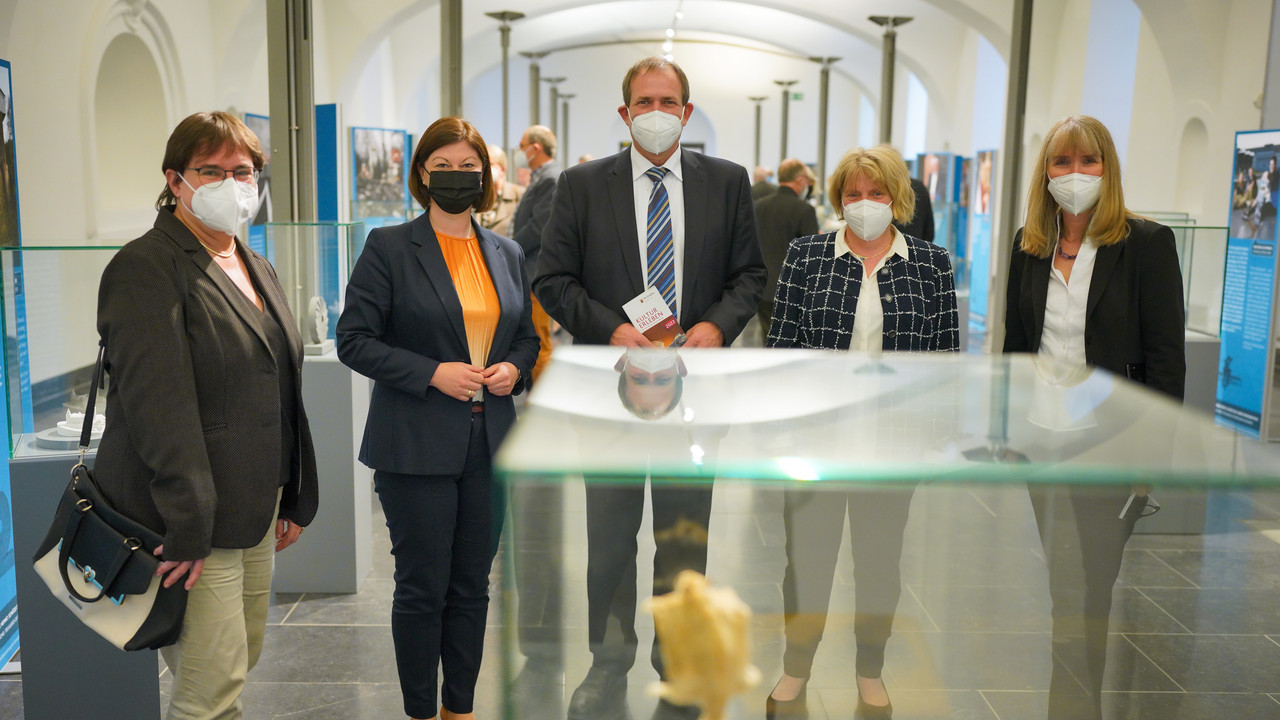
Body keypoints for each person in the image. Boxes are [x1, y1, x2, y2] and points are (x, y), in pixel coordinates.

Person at [534, 56, 765, 720]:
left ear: (687, 113)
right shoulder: (581, 186)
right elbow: (554, 281)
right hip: (612, 389)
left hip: (695, 392)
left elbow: (748, 276)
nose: (656, 112)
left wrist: (717, 328)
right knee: (608, 537)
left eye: (668, 101)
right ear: (625, 112)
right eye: (644, 101)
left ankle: (680, 666)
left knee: (684, 538)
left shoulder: (725, 183)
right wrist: (614, 330)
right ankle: (608, 664)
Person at [94, 110, 318, 719]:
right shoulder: (146, 266)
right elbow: (158, 410)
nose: (230, 184)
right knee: (208, 691)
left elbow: (279, 384)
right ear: (175, 179)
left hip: (252, 505)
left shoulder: (251, 262)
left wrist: (293, 491)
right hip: (191, 519)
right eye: (209, 171)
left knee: (235, 665)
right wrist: (187, 527)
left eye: (241, 171)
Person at [336, 116, 540, 720]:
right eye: (443, 167)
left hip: (491, 442)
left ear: (486, 177)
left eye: (468, 167)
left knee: (472, 587)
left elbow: (526, 338)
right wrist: (431, 372)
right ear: (421, 174)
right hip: (416, 444)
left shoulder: (507, 251)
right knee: (423, 587)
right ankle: (421, 711)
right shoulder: (390, 247)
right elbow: (354, 340)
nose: (456, 177)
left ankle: (461, 708)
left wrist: (513, 371)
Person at [766, 145, 959, 720]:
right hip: (817, 443)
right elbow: (782, 351)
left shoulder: (930, 262)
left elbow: (946, 361)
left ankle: (869, 668)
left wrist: (935, 441)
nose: (865, 204)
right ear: (837, 199)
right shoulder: (807, 256)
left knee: (879, 564)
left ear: (897, 197)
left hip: (892, 445)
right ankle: (796, 665)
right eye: (853, 194)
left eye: (876, 193)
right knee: (807, 561)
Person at [1003, 115, 1185, 720]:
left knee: (1091, 587)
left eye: (1088, 162)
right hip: (1043, 440)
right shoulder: (1029, 242)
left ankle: (1075, 708)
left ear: (1107, 169)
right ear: (1045, 172)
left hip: (1109, 444)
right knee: (1064, 585)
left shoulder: (1146, 245)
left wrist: (1149, 457)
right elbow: (1015, 346)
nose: (1074, 175)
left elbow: (1165, 362)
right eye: (1062, 163)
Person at [512, 124, 559, 380]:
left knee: (540, 339)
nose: (519, 152)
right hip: (527, 270)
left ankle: (544, 401)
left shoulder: (551, 178)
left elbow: (539, 227)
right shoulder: (540, 176)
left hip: (535, 271)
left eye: (521, 146)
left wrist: (507, 250)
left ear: (535, 148)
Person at [754, 157, 818, 338]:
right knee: (791, 344)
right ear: (800, 180)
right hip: (793, 289)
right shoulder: (804, 210)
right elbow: (811, 254)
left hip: (763, 286)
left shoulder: (759, 206)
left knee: (768, 339)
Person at [477, 143, 524, 237]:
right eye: (482, 165)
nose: (484, 169)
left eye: (489, 164)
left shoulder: (519, 195)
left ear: (502, 169)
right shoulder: (477, 196)